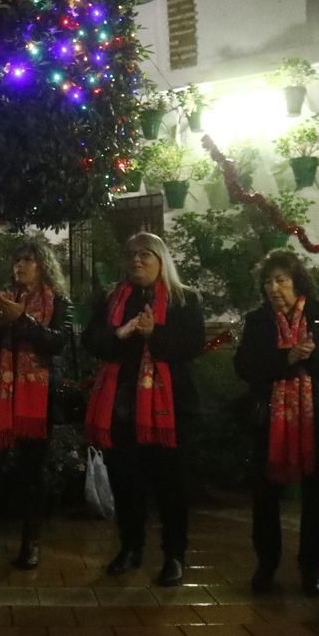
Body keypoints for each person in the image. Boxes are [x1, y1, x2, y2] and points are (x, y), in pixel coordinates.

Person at [83, 231, 205, 587]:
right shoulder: (114, 299)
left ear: (161, 260)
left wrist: (154, 334)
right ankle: (131, 547)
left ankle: (174, 555)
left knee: (171, 485)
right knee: (126, 482)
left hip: (170, 410)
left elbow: (192, 346)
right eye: (132, 255)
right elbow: (93, 341)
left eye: (145, 255)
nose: (137, 261)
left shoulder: (185, 299)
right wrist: (120, 335)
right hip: (122, 407)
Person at [234, 250, 319, 597]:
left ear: (297, 281)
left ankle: (311, 566)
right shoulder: (259, 321)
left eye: (281, 280)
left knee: (316, 497)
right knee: (265, 497)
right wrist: (286, 358)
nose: (274, 288)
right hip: (270, 422)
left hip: (317, 420)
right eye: (268, 282)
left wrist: (311, 355)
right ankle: (266, 565)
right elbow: (245, 367)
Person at [0, 239, 74, 569]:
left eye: (28, 260)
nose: (20, 266)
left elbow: (57, 342)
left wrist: (22, 319)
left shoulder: (59, 302)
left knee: (31, 474)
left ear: (43, 265)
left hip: (35, 402)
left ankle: (31, 543)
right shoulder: (0, 299)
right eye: (17, 260)